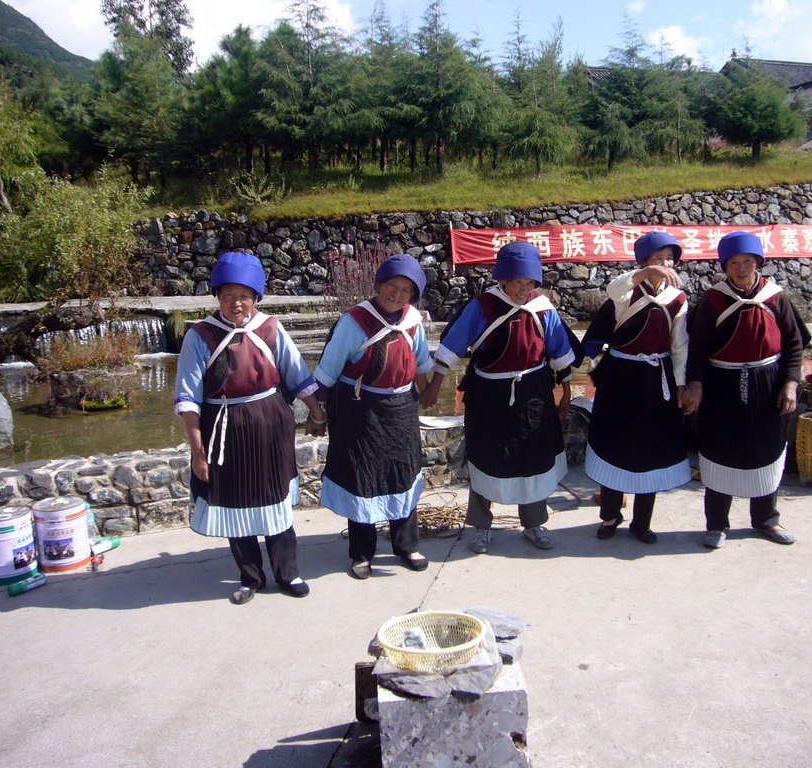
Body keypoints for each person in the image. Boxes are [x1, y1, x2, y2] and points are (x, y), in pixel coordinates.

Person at [174, 251, 327, 605]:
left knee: (275, 502)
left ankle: (288, 573)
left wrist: (316, 413)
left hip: (270, 427)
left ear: (256, 297)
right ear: (217, 297)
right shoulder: (201, 337)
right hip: (222, 430)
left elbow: (297, 374)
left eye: (244, 295)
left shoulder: (271, 329)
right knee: (234, 503)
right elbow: (188, 399)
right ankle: (250, 576)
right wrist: (198, 452)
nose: (236, 303)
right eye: (228, 295)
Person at [424, 241, 576, 554]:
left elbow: (560, 353)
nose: (524, 289)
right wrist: (434, 384)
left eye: (529, 282)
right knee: (486, 458)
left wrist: (567, 394)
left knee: (533, 458)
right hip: (488, 396)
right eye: (518, 281)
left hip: (534, 395)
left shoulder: (542, 308)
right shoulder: (482, 307)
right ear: (502, 279)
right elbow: (452, 347)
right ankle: (481, 527)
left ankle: (533, 523)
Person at [680, 231, 804, 548]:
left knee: (767, 449)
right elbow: (696, 349)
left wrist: (790, 383)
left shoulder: (776, 297)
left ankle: (765, 520)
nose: (741, 268)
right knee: (720, 451)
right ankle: (717, 524)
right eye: (733, 262)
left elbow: (794, 344)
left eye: (747, 261)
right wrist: (695, 386)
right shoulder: (713, 300)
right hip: (722, 386)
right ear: (725, 266)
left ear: (758, 262)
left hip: (768, 384)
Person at [314, 254, 434, 580]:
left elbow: (421, 361)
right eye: (391, 286)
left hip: (402, 410)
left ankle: (406, 546)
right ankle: (361, 553)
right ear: (378, 285)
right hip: (360, 410)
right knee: (361, 477)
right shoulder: (354, 322)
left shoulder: (412, 320)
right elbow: (327, 371)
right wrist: (317, 413)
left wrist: (428, 391)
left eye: (406, 290)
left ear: (413, 295)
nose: (397, 294)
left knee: (403, 473)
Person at [582, 231, 691, 543]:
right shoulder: (626, 292)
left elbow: (679, 345)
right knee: (615, 444)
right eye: (658, 259)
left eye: (669, 258)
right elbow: (612, 287)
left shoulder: (678, 299)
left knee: (651, 449)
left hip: (656, 380)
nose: (666, 264)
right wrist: (645, 274)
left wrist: (681, 384)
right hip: (619, 377)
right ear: (643, 263)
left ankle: (642, 522)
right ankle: (610, 515)